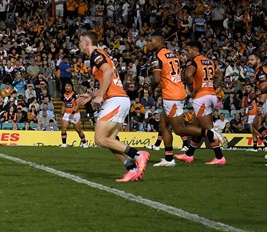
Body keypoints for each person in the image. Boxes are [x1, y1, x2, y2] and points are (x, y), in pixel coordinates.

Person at [76, 30, 149, 182]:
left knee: (100, 139)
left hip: (115, 99)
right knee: (110, 140)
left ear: (87, 43)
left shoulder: (96, 54)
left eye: (80, 42)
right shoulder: (100, 56)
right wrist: (92, 95)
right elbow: (107, 79)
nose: (79, 44)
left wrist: (101, 95)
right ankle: (132, 169)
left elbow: (108, 72)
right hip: (118, 99)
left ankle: (138, 155)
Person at [146, 32, 219, 167]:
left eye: (151, 41)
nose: (148, 43)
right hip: (177, 91)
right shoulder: (172, 54)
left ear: (159, 42)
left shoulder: (158, 57)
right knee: (163, 125)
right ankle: (169, 158)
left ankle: (209, 133)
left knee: (179, 129)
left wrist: (151, 88)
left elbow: (156, 79)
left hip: (171, 95)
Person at [175, 39, 226, 164]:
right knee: (197, 126)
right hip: (211, 95)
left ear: (195, 50)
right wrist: (213, 87)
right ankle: (189, 154)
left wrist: (192, 89)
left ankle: (219, 157)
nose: (186, 53)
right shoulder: (210, 62)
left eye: (188, 50)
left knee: (208, 130)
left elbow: (188, 75)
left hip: (201, 97)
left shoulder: (193, 61)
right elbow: (219, 76)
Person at [245, 52, 267, 157]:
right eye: (249, 60)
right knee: (256, 125)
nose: (249, 61)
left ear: (258, 60)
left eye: (252, 59)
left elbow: (265, 88)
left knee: (257, 124)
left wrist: (260, 104)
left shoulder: (261, 71)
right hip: (264, 100)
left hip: (265, 100)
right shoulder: (258, 72)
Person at [59, 81, 89, 148]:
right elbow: (64, 105)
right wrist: (61, 114)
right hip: (67, 113)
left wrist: (73, 113)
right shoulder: (63, 95)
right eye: (66, 86)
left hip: (75, 114)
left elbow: (78, 105)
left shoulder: (75, 94)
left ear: (71, 87)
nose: (67, 87)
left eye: (68, 86)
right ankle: (64, 144)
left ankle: (84, 142)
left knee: (78, 130)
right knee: (63, 128)